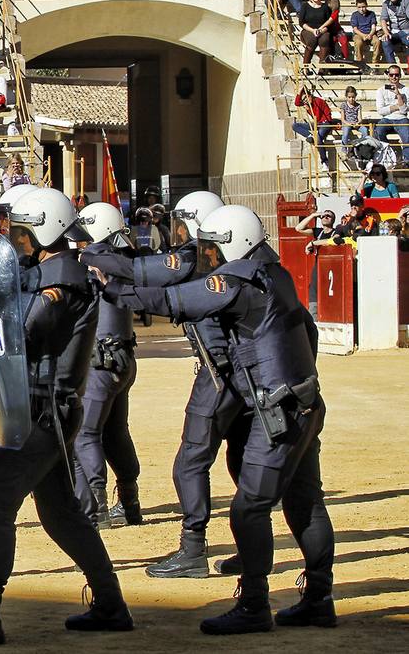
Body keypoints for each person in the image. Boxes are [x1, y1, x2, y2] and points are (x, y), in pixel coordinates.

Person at [95, 205, 334, 634]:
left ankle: (255, 605)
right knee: (304, 501)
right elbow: (308, 333)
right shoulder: (274, 275)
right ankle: (319, 597)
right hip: (302, 402)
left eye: (211, 249)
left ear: (233, 245)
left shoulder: (237, 283)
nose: (206, 258)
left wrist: (112, 288)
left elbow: (172, 300)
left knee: (248, 508)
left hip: (278, 410)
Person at [0, 188, 132, 647]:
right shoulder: (50, 271)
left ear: (47, 232)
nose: (16, 242)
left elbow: (18, 328)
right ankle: (110, 603)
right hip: (46, 411)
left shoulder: (63, 284)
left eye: (23, 234)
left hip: (41, 413)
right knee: (62, 515)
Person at [79, 190, 242, 579]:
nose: (180, 233)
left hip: (217, 373)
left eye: (184, 225)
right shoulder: (241, 266)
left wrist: (93, 262)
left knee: (190, 463)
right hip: (245, 374)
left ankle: (192, 548)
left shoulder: (194, 260)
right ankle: (251, 547)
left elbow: (152, 282)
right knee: (243, 462)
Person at [72, 202, 142, 530]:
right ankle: (130, 502)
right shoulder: (124, 261)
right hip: (124, 359)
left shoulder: (91, 264)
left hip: (101, 362)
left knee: (87, 433)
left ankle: (97, 505)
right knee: (116, 432)